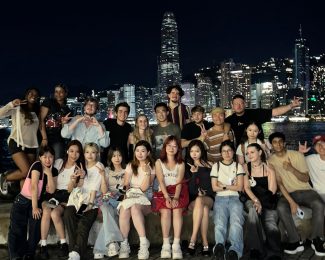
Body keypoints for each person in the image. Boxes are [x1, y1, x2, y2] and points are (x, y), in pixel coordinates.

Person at [268, 132, 325, 256]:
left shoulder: (297, 155)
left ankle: (316, 239)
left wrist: (291, 169)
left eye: (280, 141)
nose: (278, 144)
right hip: (288, 193)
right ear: (271, 145)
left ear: (284, 143)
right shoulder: (270, 161)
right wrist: (292, 202)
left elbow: (305, 178)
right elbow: (279, 184)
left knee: (319, 205)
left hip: (306, 191)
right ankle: (295, 241)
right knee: (281, 207)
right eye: (274, 142)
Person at [8, 146, 57, 260]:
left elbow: (52, 190)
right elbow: (34, 186)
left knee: (35, 230)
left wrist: (49, 174)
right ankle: (14, 256)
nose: (47, 160)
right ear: (40, 157)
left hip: (36, 201)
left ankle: (29, 254)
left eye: (50, 157)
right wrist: (35, 207)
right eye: (45, 157)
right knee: (17, 230)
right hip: (23, 201)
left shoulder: (53, 170)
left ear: (54, 158)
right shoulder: (37, 165)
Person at [38, 140, 85, 259]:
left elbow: (70, 190)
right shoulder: (59, 162)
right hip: (53, 194)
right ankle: (43, 245)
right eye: (72, 151)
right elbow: (51, 179)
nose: (74, 154)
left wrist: (73, 180)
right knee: (47, 211)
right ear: (67, 151)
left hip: (66, 196)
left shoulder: (78, 168)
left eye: (77, 152)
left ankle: (63, 243)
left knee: (55, 213)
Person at [64, 143, 103, 260]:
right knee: (68, 215)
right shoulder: (81, 165)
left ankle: (76, 251)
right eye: (87, 152)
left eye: (93, 152)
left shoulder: (99, 167)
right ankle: (73, 251)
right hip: (76, 200)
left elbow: (94, 190)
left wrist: (90, 205)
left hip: (92, 201)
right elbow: (73, 188)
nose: (90, 155)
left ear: (97, 154)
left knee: (83, 222)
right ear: (84, 154)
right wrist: (80, 177)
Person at [118, 140, 155, 260]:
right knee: (124, 208)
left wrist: (147, 173)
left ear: (148, 153)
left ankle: (143, 244)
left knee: (134, 207)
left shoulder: (152, 167)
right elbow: (126, 183)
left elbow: (144, 188)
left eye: (143, 151)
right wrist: (125, 189)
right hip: (131, 195)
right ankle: (124, 244)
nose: (140, 153)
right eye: (137, 150)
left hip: (145, 198)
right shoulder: (130, 165)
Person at [243, 143, 281, 259]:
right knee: (253, 212)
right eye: (247, 153)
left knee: (270, 221)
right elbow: (246, 188)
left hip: (267, 200)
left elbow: (272, 191)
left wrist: (262, 203)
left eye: (252, 152)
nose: (249, 155)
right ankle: (255, 249)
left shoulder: (269, 168)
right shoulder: (245, 167)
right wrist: (256, 201)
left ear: (260, 152)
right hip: (251, 199)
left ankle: (275, 251)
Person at [0, 87, 40, 195]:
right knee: (26, 171)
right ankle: (4, 177)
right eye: (30, 93)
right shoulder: (17, 108)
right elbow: (0, 113)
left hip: (32, 145)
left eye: (35, 94)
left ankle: (23, 196)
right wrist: (11, 104)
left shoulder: (37, 110)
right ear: (26, 95)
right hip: (17, 142)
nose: (33, 95)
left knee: (28, 175)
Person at [210, 140, 245, 260]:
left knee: (236, 222)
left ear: (233, 151)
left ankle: (235, 251)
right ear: (220, 153)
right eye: (224, 151)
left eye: (229, 150)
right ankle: (219, 247)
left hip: (235, 198)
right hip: (220, 198)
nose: (226, 153)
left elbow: (239, 187)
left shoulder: (238, 166)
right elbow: (214, 188)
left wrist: (223, 186)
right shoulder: (216, 166)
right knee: (219, 223)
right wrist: (229, 186)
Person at [154, 136, 186, 259]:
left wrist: (176, 198)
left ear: (178, 148)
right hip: (163, 191)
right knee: (166, 212)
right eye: (169, 145)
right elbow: (161, 180)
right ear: (165, 147)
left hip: (178, 190)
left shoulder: (181, 163)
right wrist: (167, 197)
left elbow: (179, 182)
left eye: (174, 146)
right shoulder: (158, 162)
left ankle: (176, 245)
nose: (171, 148)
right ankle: (166, 244)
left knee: (177, 210)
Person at [225, 94, 301, 147]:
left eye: (241, 103)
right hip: (241, 151)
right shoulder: (229, 120)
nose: (238, 106)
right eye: (236, 104)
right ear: (232, 105)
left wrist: (291, 105)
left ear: (245, 104)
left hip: (259, 148)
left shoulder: (255, 113)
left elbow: (275, 112)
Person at [93, 147, 125, 259]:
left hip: (122, 198)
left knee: (109, 216)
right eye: (114, 156)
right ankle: (112, 243)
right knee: (106, 209)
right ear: (110, 158)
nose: (117, 158)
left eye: (119, 155)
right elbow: (104, 191)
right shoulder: (106, 170)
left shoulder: (127, 169)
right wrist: (102, 176)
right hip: (109, 198)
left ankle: (101, 248)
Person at [185, 140, 213, 256]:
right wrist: (194, 173)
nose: (194, 153)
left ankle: (193, 239)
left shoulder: (210, 164)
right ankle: (205, 243)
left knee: (201, 201)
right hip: (193, 200)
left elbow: (213, 185)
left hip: (209, 198)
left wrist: (204, 192)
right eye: (191, 151)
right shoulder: (188, 166)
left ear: (202, 151)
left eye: (197, 151)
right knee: (203, 208)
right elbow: (191, 190)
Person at [39, 83, 71, 159]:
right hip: (44, 136)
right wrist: (44, 138)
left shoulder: (67, 110)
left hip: (58, 139)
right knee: (41, 161)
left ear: (65, 93)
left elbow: (64, 129)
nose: (58, 94)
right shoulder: (48, 102)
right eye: (56, 91)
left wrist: (64, 123)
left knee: (58, 161)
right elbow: (41, 119)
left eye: (61, 92)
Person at [302, 135, 325, 202]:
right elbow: (293, 163)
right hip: (318, 195)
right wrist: (300, 153)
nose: (320, 146)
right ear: (315, 148)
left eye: (323, 143)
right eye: (317, 144)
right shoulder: (310, 159)